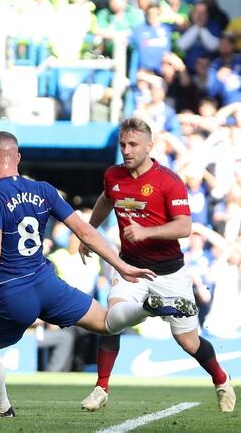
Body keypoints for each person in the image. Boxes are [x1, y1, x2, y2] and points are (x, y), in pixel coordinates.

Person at [0, 131, 161, 417]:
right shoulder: (45, 190)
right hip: (47, 284)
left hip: (14, 293)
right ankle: (145, 308)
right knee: (106, 322)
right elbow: (86, 231)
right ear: (17, 158)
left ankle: (1, 408)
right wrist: (122, 265)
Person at [79, 117, 236, 413]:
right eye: (123, 144)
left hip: (169, 273)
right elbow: (105, 199)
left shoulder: (168, 180)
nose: (126, 150)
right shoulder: (114, 175)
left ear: (149, 146)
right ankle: (101, 387)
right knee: (110, 322)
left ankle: (221, 378)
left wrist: (146, 232)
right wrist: (90, 232)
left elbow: (185, 227)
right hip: (129, 268)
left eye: (133, 144)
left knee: (189, 342)